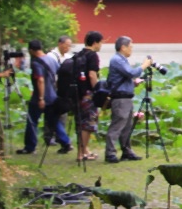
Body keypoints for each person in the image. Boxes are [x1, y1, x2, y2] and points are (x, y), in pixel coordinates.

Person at [17, 40, 71, 155]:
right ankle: (66, 142)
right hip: (52, 96)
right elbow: (58, 75)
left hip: (39, 97)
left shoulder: (36, 62)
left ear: (31, 50)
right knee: (54, 121)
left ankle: (30, 147)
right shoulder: (51, 59)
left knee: (32, 121)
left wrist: (41, 98)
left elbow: (40, 80)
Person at [105, 36, 152, 164]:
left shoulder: (122, 60)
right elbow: (130, 73)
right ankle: (110, 153)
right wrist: (144, 65)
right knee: (118, 125)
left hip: (126, 97)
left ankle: (127, 151)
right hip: (120, 98)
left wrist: (133, 83)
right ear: (123, 47)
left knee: (127, 126)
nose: (131, 50)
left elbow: (125, 77)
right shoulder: (117, 60)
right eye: (130, 47)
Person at [76, 31, 104, 162]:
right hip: (88, 94)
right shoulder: (92, 56)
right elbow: (92, 75)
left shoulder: (79, 54)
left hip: (78, 93)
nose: (101, 45)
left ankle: (84, 150)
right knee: (88, 124)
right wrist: (98, 91)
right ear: (95, 43)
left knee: (81, 123)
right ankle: (81, 154)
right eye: (101, 42)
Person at [44, 35, 74, 146]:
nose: (68, 48)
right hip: (53, 88)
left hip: (64, 89)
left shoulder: (68, 57)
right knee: (52, 112)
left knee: (63, 112)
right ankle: (49, 135)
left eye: (69, 46)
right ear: (60, 44)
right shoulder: (51, 56)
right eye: (66, 45)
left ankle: (60, 137)